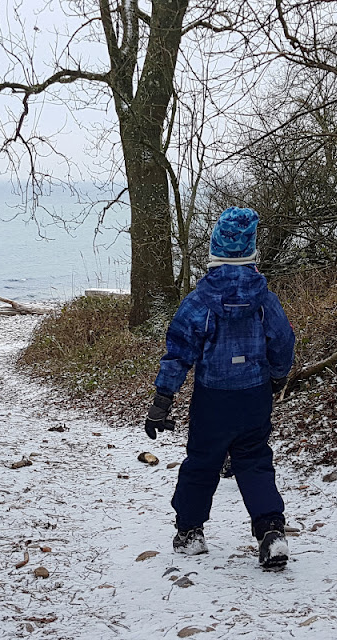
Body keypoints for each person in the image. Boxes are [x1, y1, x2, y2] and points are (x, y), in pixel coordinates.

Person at [144, 206, 295, 570]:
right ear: (251, 251)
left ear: (214, 248)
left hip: (213, 398)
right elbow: (283, 341)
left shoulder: (200, 302)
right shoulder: (264, 300)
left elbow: (178, 352)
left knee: (202, 462)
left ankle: (190, 532)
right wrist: (278, 375)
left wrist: (163, 398)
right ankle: (270, 531)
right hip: (254, 395)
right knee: (255, 459)